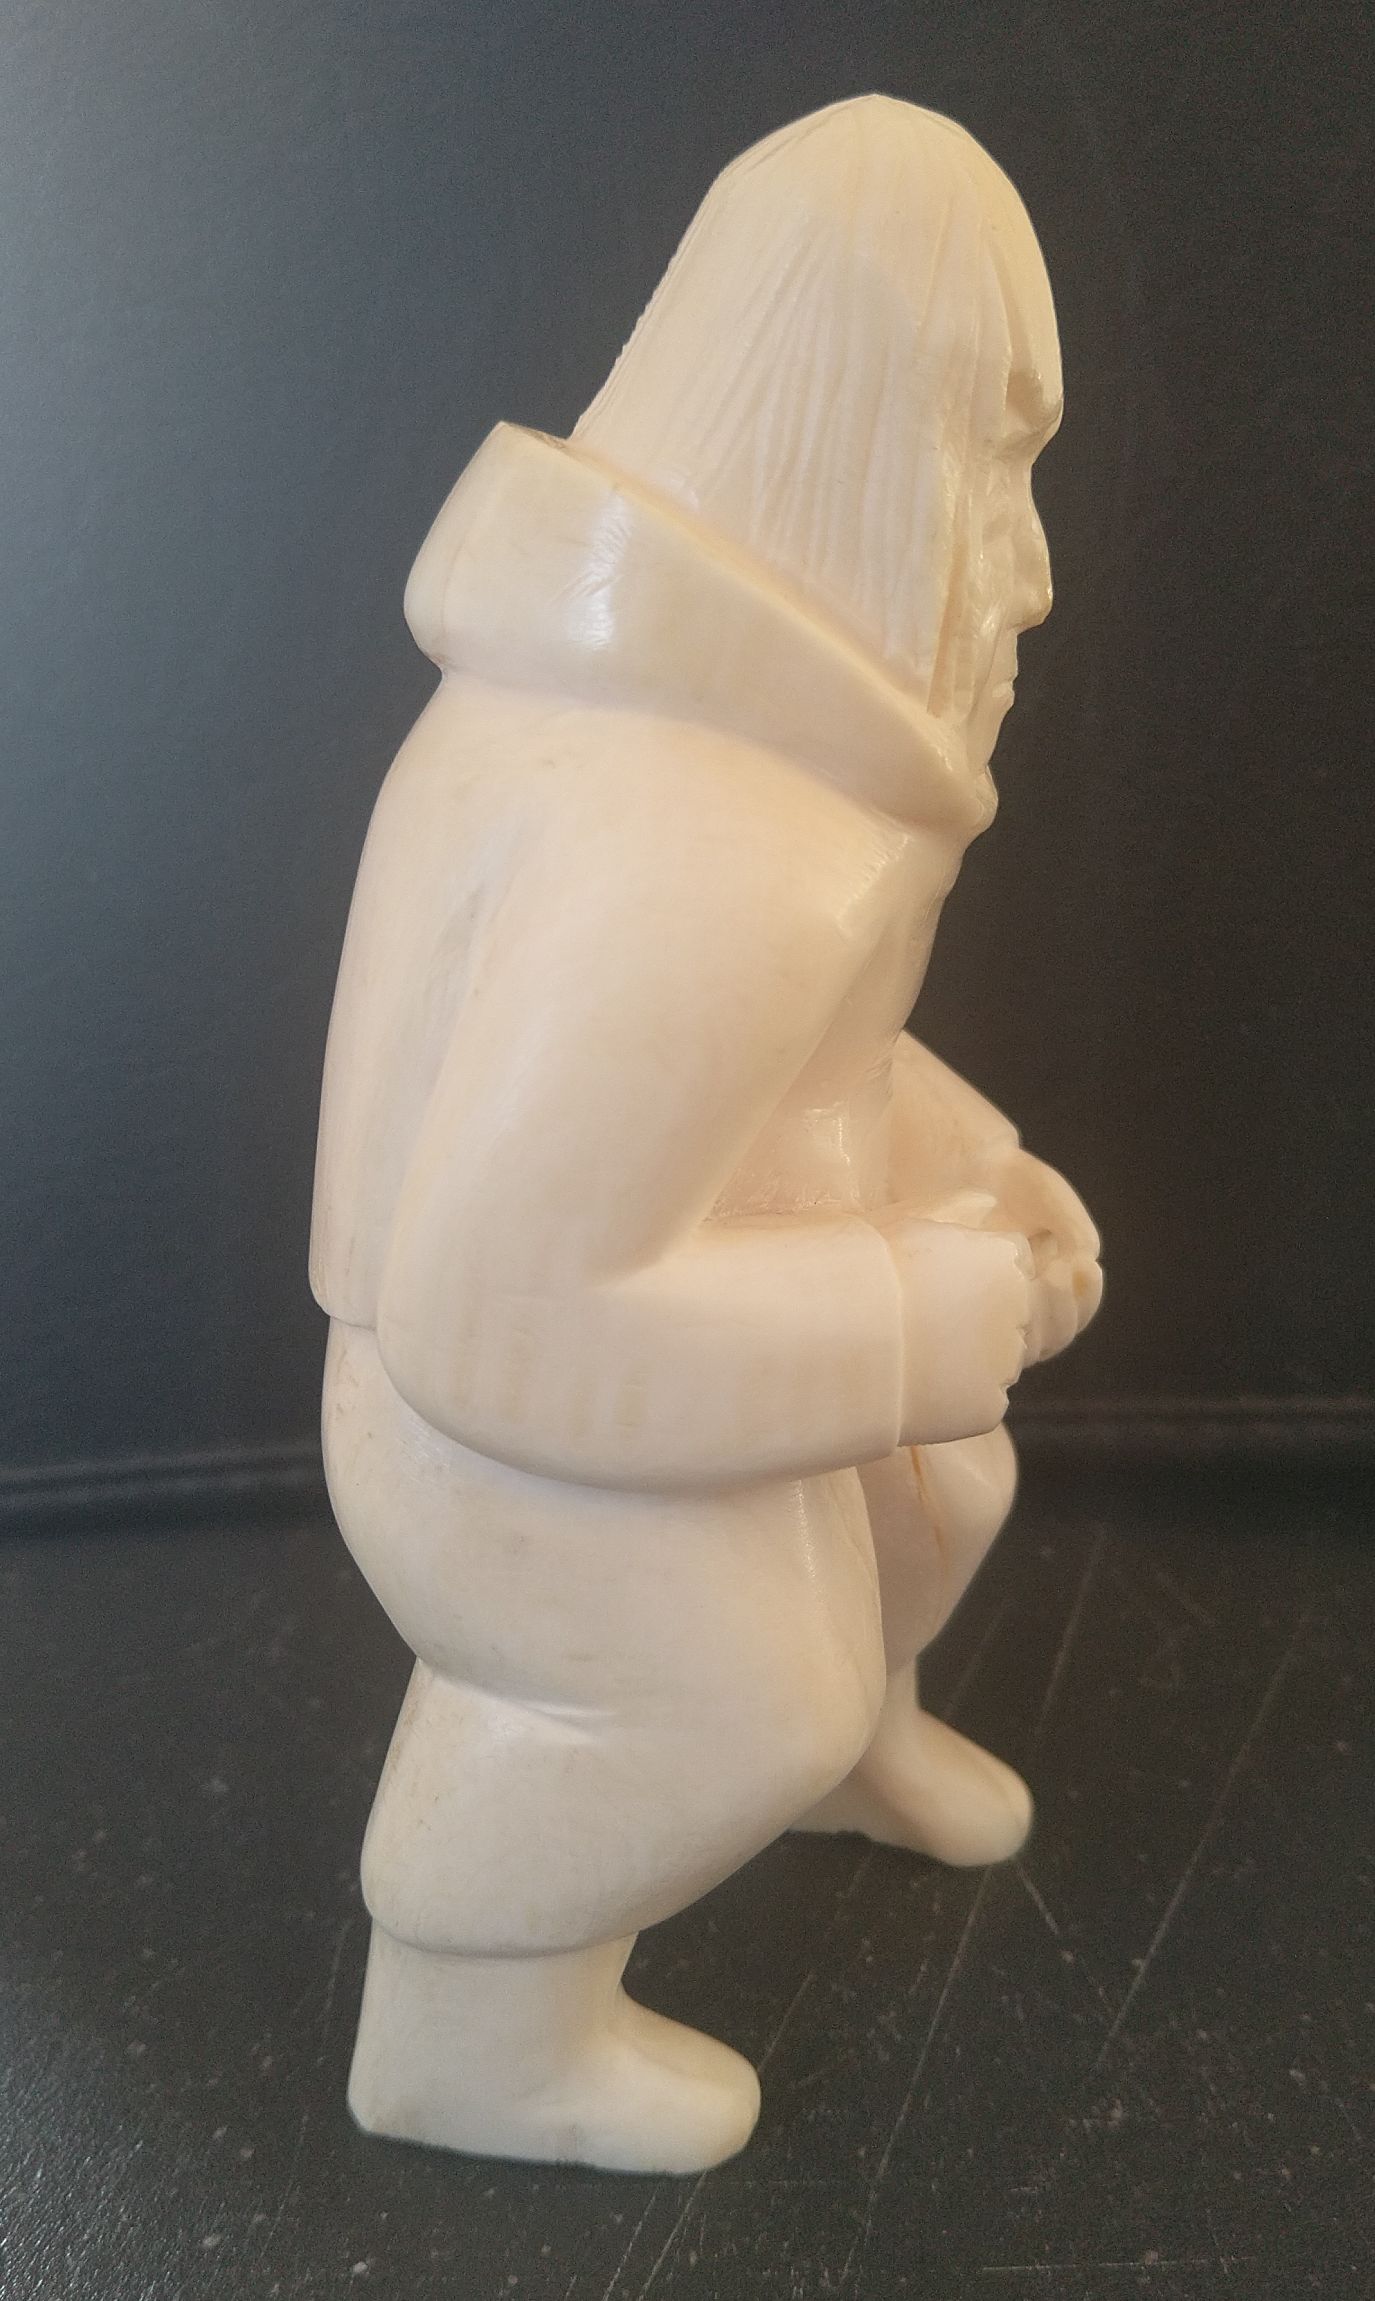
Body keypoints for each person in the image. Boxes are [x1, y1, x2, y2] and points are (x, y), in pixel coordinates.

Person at [310, 94, 1102, 2174]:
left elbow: (787, 1090)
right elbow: (501, 1318)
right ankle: (464, 2023)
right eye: (998, 469)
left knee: (935, 1481)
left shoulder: (765, 791)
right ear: (862, 454)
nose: (1033, 568)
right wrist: (916, 1311)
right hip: (483, 1436)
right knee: (732, 1679)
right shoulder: (692, 838)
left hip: (626, 1337)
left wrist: (966, 1168)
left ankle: (848, 1746)